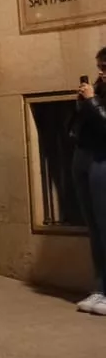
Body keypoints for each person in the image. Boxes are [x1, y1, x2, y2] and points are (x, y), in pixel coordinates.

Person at [72, 50, 106, 315]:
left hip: (102, 159)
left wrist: (93, 103)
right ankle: (100, 287)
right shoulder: (98, 89)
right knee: (94, 227)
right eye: (99, 67)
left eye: (105, 67)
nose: (101, 72)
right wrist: (82, 104)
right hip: (85, 156)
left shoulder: (97, 95)